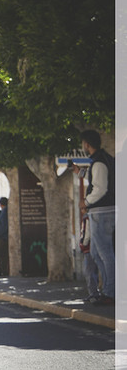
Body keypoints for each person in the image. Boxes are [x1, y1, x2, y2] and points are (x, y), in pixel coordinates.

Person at [80, 130, 115, 305]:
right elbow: (95, 180)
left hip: (102, 212)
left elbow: (100, 188)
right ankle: (108, 288)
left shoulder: (99, 162)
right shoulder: (105, 160)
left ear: (87, 144)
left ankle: (111, 292)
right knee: (96, 252)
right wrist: (79, 172)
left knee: (104, 252)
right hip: (104, 211)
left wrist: (85, 202)